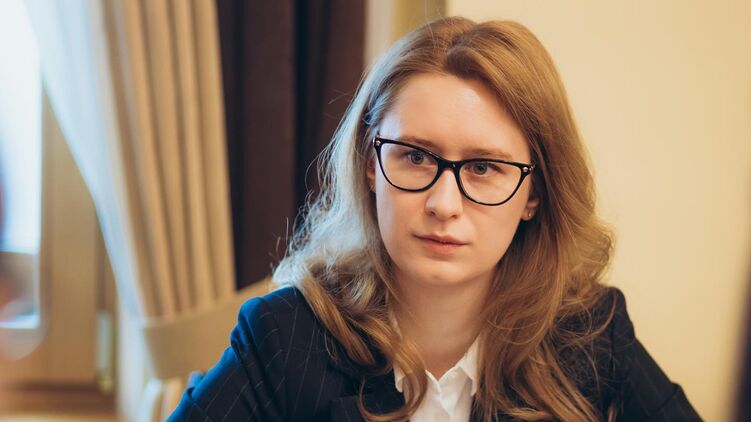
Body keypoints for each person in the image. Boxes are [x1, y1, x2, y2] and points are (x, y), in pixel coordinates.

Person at [168, 17, 701, 421]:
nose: (444, 204)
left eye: (484, 167)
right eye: (415, 156)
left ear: (534, 194)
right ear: (370, 165)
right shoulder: (283, 337)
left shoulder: (593, 334)